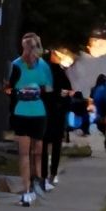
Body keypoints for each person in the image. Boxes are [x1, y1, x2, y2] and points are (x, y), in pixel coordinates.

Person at [5, 33, 53, 206]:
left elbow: (49, 87)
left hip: (39, 113)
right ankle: (25, 191)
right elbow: (7, 88)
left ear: (37, 48)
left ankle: (37, 181)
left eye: (31, 47)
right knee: (24, 152)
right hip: (21, 112)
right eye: (25, 47)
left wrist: (39, 91)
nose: (28, 51)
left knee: (38, 151)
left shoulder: (43, 66)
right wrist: (17, 92)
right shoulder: (16, 65)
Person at [38, 54, 73, 190]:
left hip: (45, 114)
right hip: (57, 114)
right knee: (56, 145)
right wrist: (62, 104)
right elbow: (67, 93)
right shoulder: (61, 74)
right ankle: (53, 173)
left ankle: (43, 174)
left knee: (44, 144)